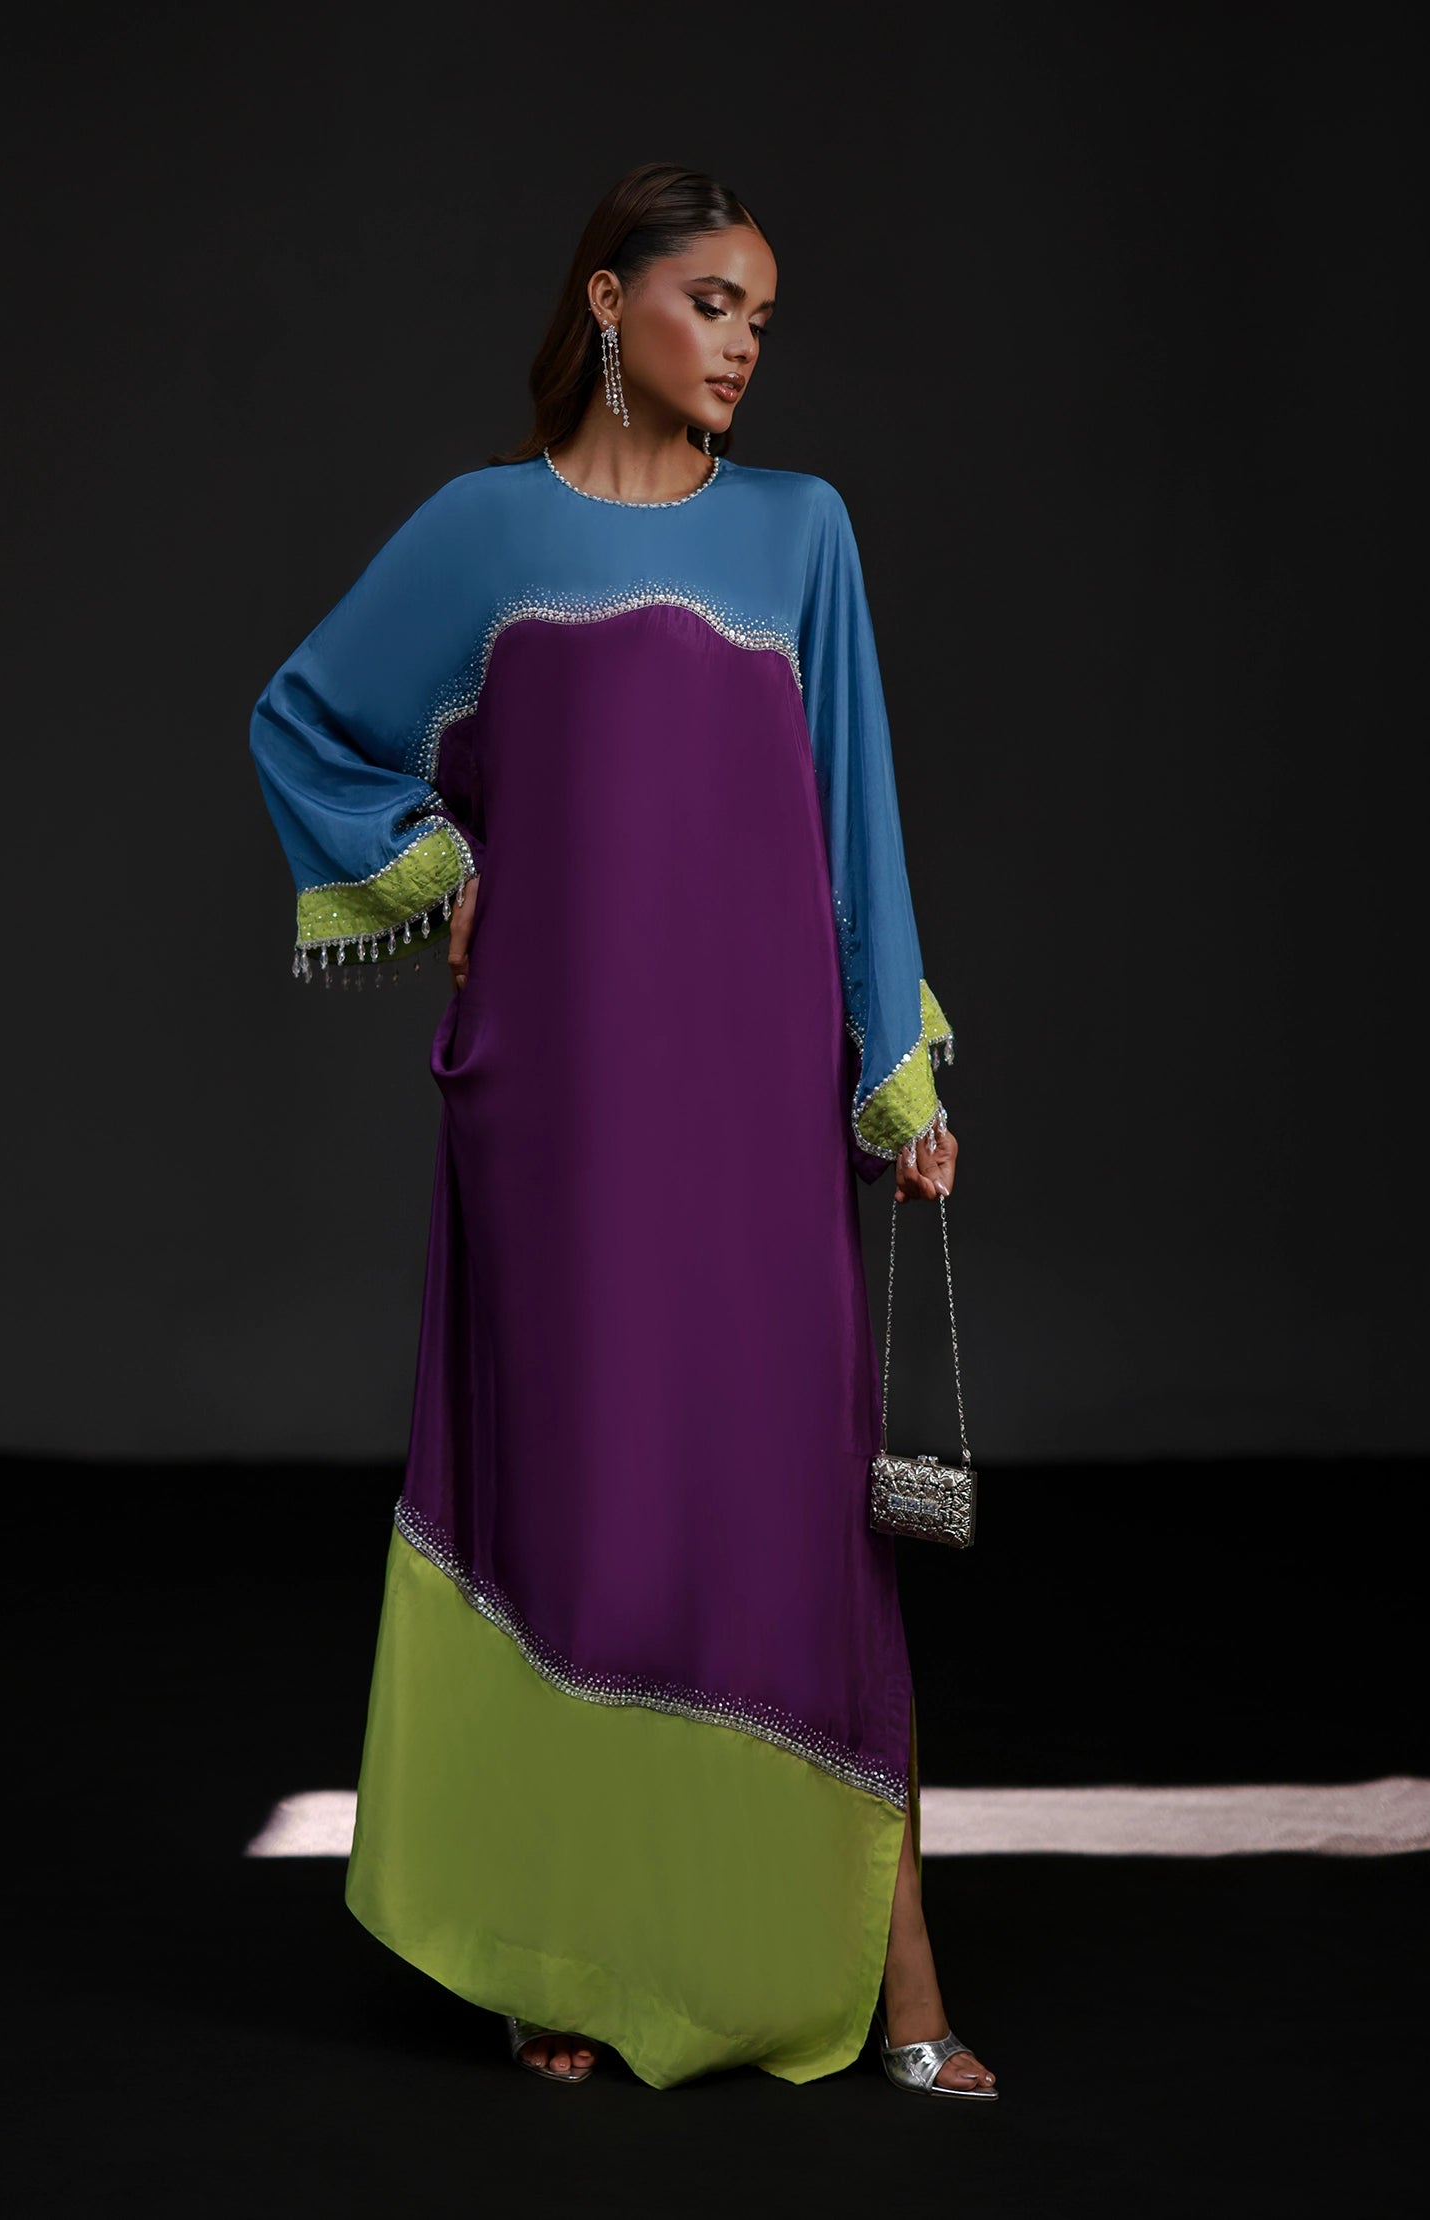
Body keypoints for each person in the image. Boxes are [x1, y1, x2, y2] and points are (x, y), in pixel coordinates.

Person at [248, 162, 997, 2099]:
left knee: (796, 1520)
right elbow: (306, 721)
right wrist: (442, 867)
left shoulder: (802, 533)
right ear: (608, 300)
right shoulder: (483, 531)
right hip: (559, 1113)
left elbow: (858, 814)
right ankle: (562, 1948)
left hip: (757, 1112)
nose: (742, 347)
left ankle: (902, 1975)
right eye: (712, 303)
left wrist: (897, 1070)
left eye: (762, 318)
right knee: (581, 1512)